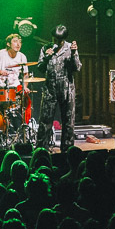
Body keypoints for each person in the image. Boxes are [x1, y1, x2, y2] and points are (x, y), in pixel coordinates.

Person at [35, 25, 82, 153]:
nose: (56, 43)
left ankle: (67, 151)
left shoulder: (70, 48)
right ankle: (41, 151)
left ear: (64, 39)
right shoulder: (46, 48)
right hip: (50, 90)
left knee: (68, 123)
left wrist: (73, 54)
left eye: (59, 40)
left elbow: (77, 68)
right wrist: (46, 57)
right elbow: (40, 68)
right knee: (45, 122)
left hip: (67, 90)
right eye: (54, 39)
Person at [0, 33, 33, 123]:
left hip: (15, 87)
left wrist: (25, 86)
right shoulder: (0, 54)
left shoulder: (22, 56)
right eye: (15, 41)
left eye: (20, 42)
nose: (18, 44)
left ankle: (24, 126)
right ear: (8, 44)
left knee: (27, 101)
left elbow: (26, 74)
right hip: (0, 86)